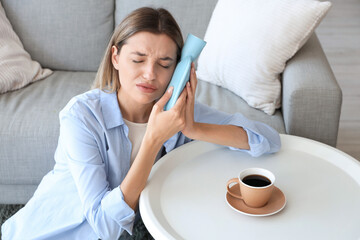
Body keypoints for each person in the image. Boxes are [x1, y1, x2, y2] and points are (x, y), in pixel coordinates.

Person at [1, 7, 281, 240]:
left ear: (178, 70)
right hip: (47, 231)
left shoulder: (177, 115)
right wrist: (153, 140)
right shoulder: (81, 116)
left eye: (164, 63)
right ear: (116, 58)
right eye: (138, 59)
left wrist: (194, 128)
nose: (150, 74)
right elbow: (104, 225)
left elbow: (268, 140)